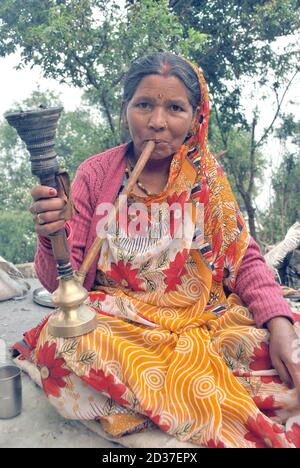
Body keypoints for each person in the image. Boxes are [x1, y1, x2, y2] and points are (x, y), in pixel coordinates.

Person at [14, 52, 300, 448]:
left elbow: (245, 259)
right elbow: (64, 283)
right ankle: (183, 399)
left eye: (175, 108)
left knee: (285, 350)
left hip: (204, 322)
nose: (157, 122)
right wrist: (51, 235)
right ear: (126, 108)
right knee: (62, 342)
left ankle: (152, 402)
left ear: (195, 117)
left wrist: (279, 323)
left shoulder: (207, 179)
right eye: (144, 104)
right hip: (123, 326)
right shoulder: (96, 174)